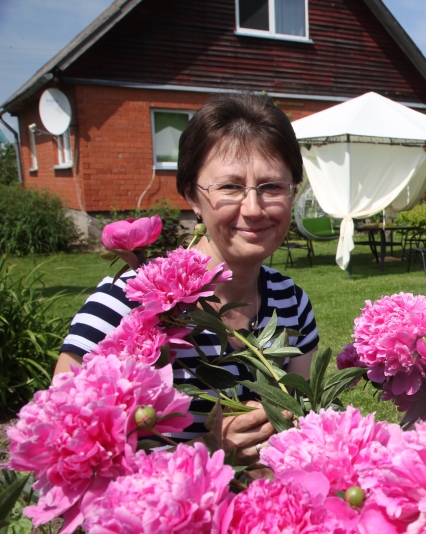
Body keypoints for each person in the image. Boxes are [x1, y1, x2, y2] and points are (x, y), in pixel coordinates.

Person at [53, 92, 317, 461]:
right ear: (192, 196)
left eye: (272, 186)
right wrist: (208, 450)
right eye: (230, 187)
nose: (254, 208)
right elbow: (62, 445)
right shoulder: (124, 302)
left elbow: (303, 420)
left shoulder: (292, 303)